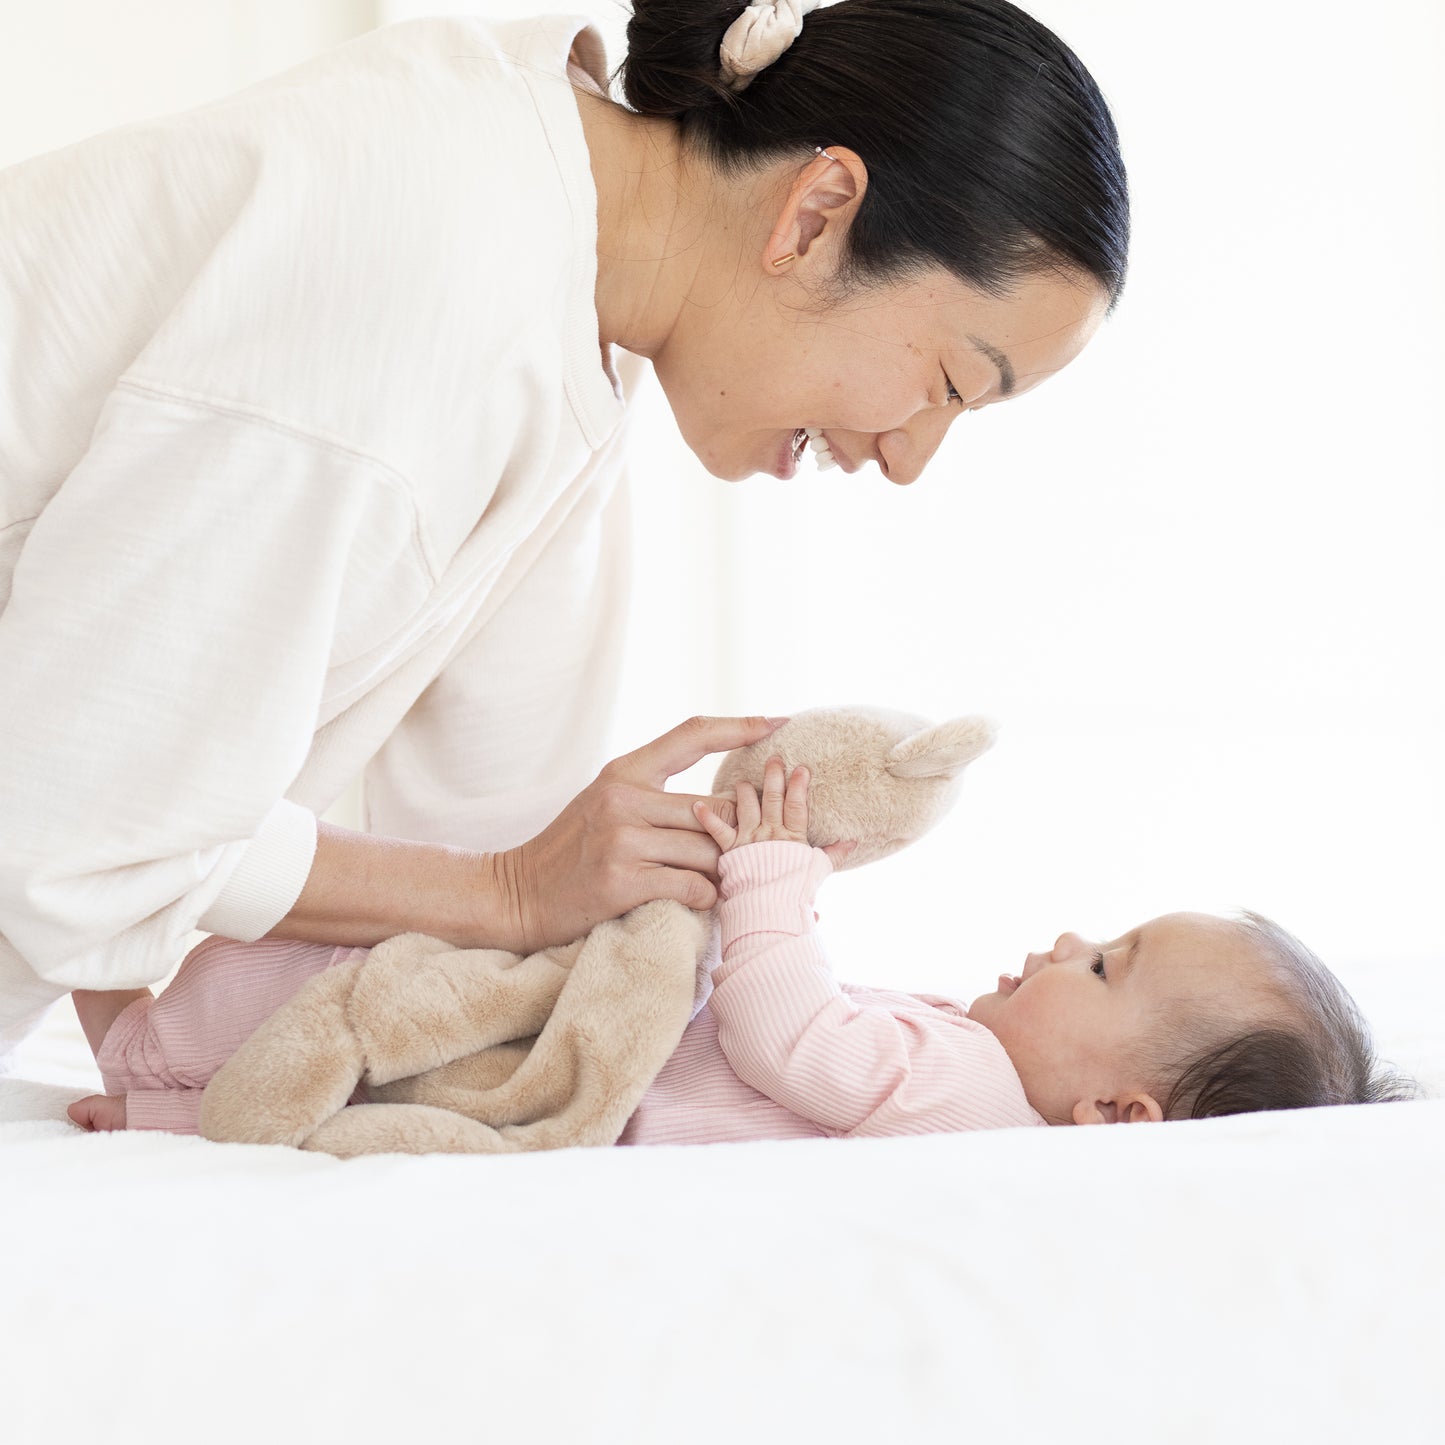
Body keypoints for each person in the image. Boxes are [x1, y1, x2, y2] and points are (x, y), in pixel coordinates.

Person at [0, 0, 1130, 1058]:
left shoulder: (574, 293)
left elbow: (498, 836)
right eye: (947, 385)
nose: (908, 460)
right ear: (816, 212)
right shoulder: (432, 273)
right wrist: (508, 891)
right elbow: (82, 825)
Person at [68, 757, 1412, 1139]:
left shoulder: (972, 1100)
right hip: (581, 1043)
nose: (1068, 940)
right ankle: (150, 1064)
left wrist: (775, 877)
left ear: (1116, 1114)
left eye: (1105, 964)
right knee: (366, 1034)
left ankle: (127, 996)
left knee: (335, 997)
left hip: (590, 1081)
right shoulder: (964, 1057)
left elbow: (787, 1032)